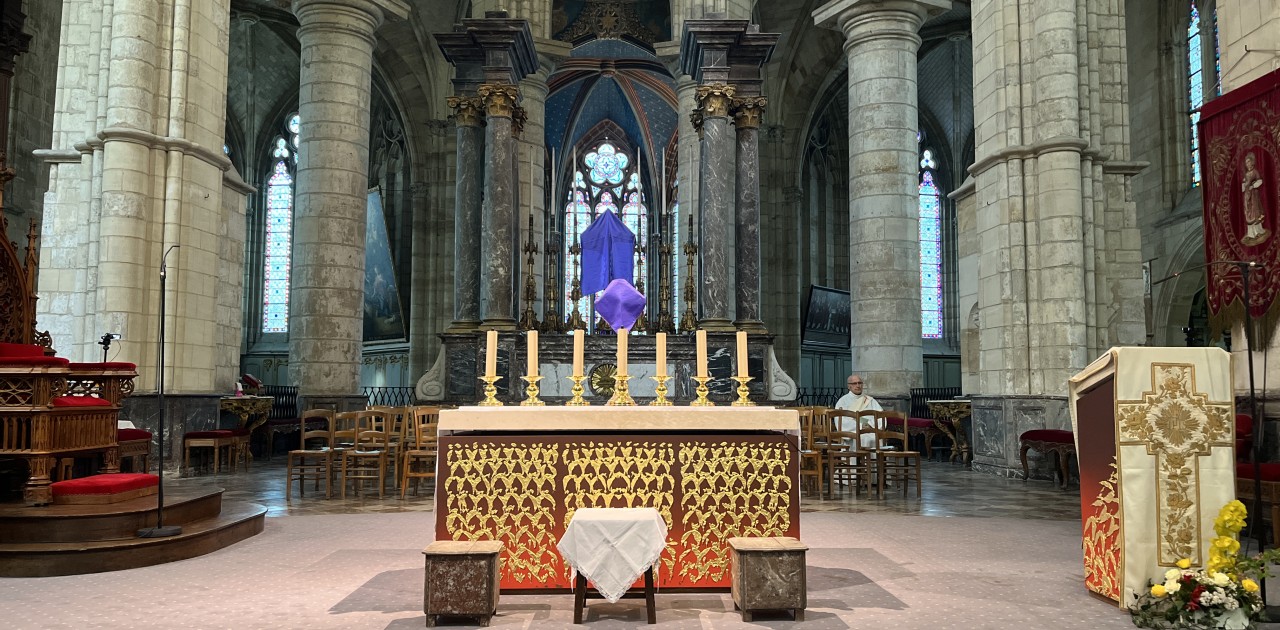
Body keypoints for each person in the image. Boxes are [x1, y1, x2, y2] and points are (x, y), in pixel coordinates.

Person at [834, 374, 882, 447]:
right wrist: (861, 426)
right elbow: (841, 421)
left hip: (871, 430)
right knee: (863, 438)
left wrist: (870, 425)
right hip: (853, 433)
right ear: (849, 386)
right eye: (854, 383)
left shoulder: (870, 400)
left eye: (860, 383)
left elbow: (881, 416)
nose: (858, 385)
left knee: (878, 438)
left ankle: (876, 458)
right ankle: (858, 458)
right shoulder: (842, 402)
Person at [1242, 152, 1269, 246]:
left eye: (1249, 161)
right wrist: (1244, 186)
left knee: (1255, 212)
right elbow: (1243, 185)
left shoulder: (1255, 172)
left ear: (1252, 162)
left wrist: (1253, 186)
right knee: (1248, 213)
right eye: (1246, 162)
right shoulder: (1246, 174)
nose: (1248, 164)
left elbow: (1260, 180)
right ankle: (1251, 233)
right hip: (1247, 196)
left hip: (1253, 195)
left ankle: (1258, 231)